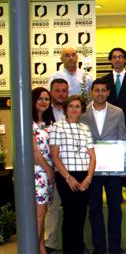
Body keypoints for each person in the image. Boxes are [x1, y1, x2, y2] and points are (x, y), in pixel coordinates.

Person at [81, 78, 126, 254]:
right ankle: (99, 247)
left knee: (116, 206)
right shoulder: (83, 113)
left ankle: (115, 246)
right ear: (92, 92)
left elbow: (122, 137)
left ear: (108, 93)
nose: (100, 93)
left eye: (103, 90)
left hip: (113, 167)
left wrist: (123, 165)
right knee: (94, 208)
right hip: (91, 169)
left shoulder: (118, 112)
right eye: (97, 90)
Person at [49, 95, 96, 254]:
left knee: (81, 214)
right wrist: (68, 177)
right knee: (70, 215)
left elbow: (92, 156)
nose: (74, 109)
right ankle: (70, 250)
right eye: (71, 106)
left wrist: (89, 177)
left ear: (82, 109)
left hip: (84, 176)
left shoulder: (85, 128)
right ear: (65, 109)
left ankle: (78, 248)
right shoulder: (57, 126)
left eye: (77, 106)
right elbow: (54, 155)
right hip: (66, 176)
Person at [100, 47, 126, 202]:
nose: (117, 59)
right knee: (114, 159)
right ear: (110, 60)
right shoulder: (103, 81)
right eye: (114, 57)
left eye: (121, 56)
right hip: (110, 128)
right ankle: (116, 192)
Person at [44, 78, 68, 253]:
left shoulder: (74, 112)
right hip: (50, 167)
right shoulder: (44, 113)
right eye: (57, 90)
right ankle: (49, 244)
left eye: (64, 90)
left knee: (72, 208)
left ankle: (74, 242)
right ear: (51, 92)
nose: (61, 94)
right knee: (53, 206)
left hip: (71, 169)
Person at [32, 87, 56, 254]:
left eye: (46, 99)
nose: (43, 102)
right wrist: (48, 170)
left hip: (48, 173)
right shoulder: (29, 122)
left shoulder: (48, 123)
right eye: (40, 98)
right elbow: (34, 150)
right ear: (33, 101)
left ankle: (40, 247)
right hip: (37, 173)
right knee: (39, 215)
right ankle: (36, 248)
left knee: (43, 212)